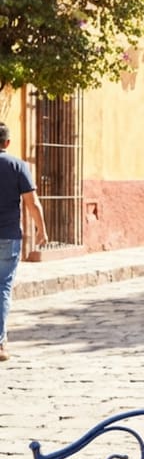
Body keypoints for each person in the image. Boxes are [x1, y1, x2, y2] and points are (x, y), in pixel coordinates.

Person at [0, 123, 46, 362]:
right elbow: (32, 202)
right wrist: (41, 229)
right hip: (9, 236)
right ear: (7, 143)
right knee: (3, 288)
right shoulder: (18, 166)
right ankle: (0, 343)